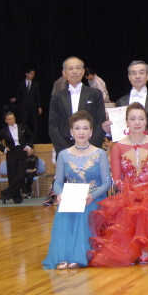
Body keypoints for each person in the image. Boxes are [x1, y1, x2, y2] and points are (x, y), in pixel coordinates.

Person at [89, 103, 148, 266]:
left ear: (146, 121)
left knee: (146, 205)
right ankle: (131, 250)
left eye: (141, 118)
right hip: (127, 193)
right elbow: (116, 178)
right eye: (133, 119)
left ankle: (144, 250)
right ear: (127, 121)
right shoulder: (118, 147)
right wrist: (130, 191)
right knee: (133, 205)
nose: (137, 122)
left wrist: (147, 190)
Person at [42, 111, 111, 269]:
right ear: (71, 131)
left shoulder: (100, 154)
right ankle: (63, 256)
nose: (81, 132)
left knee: (84, 212)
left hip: (94, 199)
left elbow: (107, 183)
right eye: (77, 128)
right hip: (71, 199)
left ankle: (79, 256)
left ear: (91, 131)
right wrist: (60, 194)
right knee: (64, 212)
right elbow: (58, 182)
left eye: (85, 128)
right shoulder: (63, 155)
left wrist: (91, 196)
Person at [102, 61, 148, 143]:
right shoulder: (120, 102)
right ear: (129, 77)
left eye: (141, 73)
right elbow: (117, 132)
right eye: (134, 73)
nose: (137, 76)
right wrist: (109, 132)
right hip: (126, 147)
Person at [48, 57, 106, 155]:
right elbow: (53, 127)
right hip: (65, 151)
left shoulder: (95, 94)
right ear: (64, 73)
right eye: (71, 68)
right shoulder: (57, 97)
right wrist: (66, 152)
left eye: (78, 68)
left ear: (83, 71)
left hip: (91, 150)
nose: (75, 71)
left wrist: (90, 148)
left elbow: (100, 123)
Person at [0, 111, 33, 204]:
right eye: (9, 119)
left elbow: (31, 136)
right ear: (6, 121)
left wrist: (28, 146)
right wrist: (4, 148)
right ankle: (16, 197)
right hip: (11, 153)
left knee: (21, 175)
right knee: (12, 175)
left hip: (22, 151)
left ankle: (5, 193)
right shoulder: (3, 131)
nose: (12, 120)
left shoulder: (22, 127)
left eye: (13, 118)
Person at [10, 68, 42, 139]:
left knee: (35, 124)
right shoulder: (21, 84)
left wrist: (39, 106)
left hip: (33, 107)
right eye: (31, 73)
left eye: (33, 74)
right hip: (24, 107)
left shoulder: (35, 84)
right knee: (23, 123)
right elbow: (18, 95)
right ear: (27, 74)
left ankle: (34, 139)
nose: (32, 75)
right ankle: (22, 138)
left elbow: (38, 96)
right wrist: (14, 99)